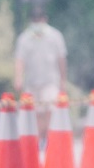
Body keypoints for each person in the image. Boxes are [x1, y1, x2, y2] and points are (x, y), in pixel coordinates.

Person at [12, 7, 67, 141]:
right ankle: (39, 140)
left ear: (45, 19)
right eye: (35, 20)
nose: (37, 23)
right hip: (32, 82)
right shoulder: (25, 38)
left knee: (50, 111)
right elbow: (20, 59)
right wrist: (18, 78)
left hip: (50, 81)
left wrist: (63, 80)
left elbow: (61, 59)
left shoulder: (55, 36)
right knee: (35, 112)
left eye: (39, 19)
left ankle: (49, 139)